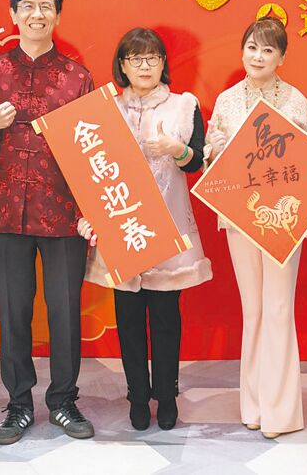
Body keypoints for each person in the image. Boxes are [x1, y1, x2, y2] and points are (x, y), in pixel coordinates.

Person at [0, 0, 95, 445]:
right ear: (14, 14)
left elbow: (94, 148)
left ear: (57, 15)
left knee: (64, 311)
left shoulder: (77, 77)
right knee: (12, 311)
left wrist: (92, 210)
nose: (37, 14)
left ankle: (64, 401)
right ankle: (18, 404)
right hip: (3, 212)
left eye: (46, 6)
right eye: (28, 6)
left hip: (64, 213)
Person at [77, 28, 212, 431]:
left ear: (163, 63)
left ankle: (166, 396)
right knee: (129, 318)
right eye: (135, 59)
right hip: (122, 227)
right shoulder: (105, 110)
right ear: (122, 65)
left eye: (152, 58)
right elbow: (89, 168)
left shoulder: (184, 106)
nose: (144, 66)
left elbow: (198, 162)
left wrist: (177, 150)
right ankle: (137, 396)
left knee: (166, 318)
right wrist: (89, 213)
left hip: (168, 227)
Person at [205, 16, 307, 439]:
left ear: (281, 57)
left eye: (268, 50)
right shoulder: (226, 101)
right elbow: (210, 158)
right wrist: (214, 150)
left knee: (278, 308)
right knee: (252, 309)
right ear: (242, 51)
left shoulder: (295, 101)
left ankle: (280, 411)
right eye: (252, 47)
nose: (258, 56)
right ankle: (253, 405)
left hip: (285, 220)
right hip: (239, 216)